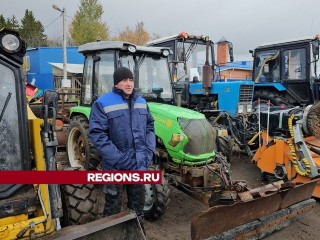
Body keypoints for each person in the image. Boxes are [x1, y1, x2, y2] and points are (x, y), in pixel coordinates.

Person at [89, 66, 156, 231]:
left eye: (131, 80)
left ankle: (137, 234)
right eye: (124, 80)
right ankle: (111, 234)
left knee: (137, 208)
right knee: (113, 208)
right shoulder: (103, 103)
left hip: (138, 166)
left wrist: (148, 153)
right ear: (116, 83)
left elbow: (150, 127)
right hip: (115, 167)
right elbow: (98, 135)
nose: (129, 83)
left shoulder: (141, 102)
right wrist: (120, 159)